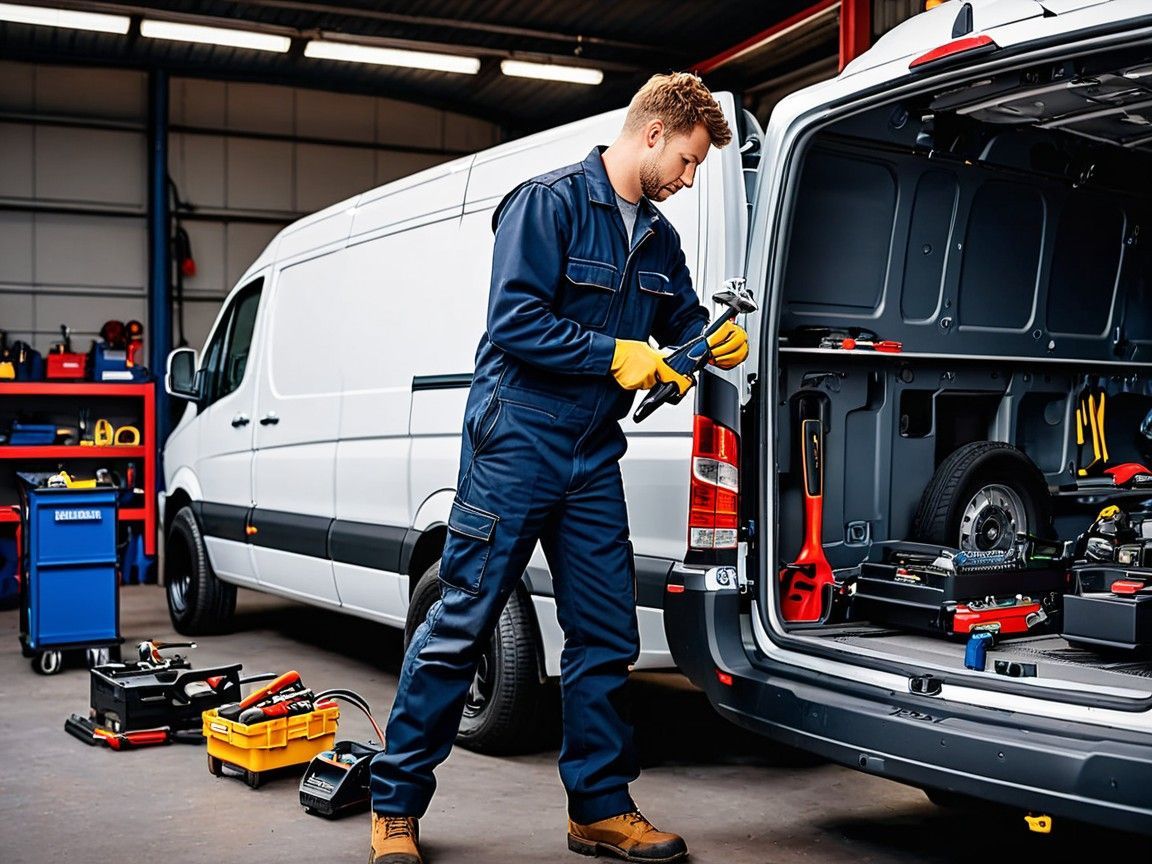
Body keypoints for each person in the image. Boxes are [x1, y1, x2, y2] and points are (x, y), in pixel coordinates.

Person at [369, 72, 748, 864]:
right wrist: (618, 355)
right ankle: (396, 806)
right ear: (652, 135)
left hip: (590, 453)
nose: (686, 179)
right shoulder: (546, 204)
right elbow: (514, 323)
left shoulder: (658, 238)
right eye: (685, 161)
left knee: (605, 634)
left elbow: (675, 321)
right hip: (517, 439)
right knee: (461, 623)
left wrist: (707, 339)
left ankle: (599, 809)